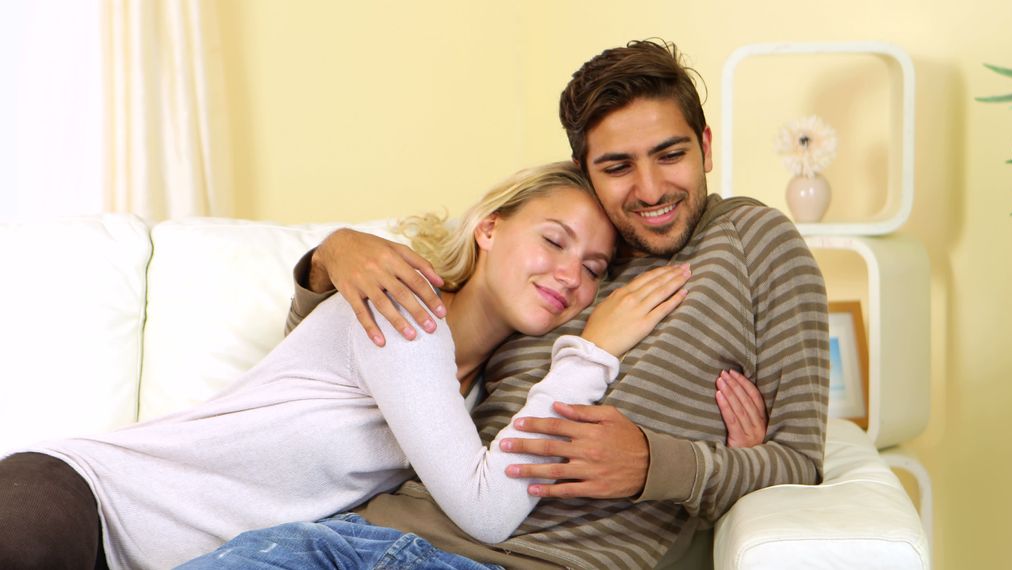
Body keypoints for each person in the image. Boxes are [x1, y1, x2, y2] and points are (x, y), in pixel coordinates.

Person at [185, 39, 827, 570]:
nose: (651, 188)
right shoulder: (544, 269)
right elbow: (343, 384)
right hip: (344, 539)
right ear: (585, 169)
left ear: (706, 146)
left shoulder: (754, 241)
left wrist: (659, 466)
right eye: (617, 166)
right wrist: (330, 257)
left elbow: (799, 463)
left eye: (671, 154)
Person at [0, 162, 757, 570]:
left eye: (594, 267)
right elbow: (488, 508)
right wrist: (592, 351)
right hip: (87, 497)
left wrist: (731, 461)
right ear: (489, 230)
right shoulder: (406, 311)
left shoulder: (482, 391)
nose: (572, 277)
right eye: (554, 241)